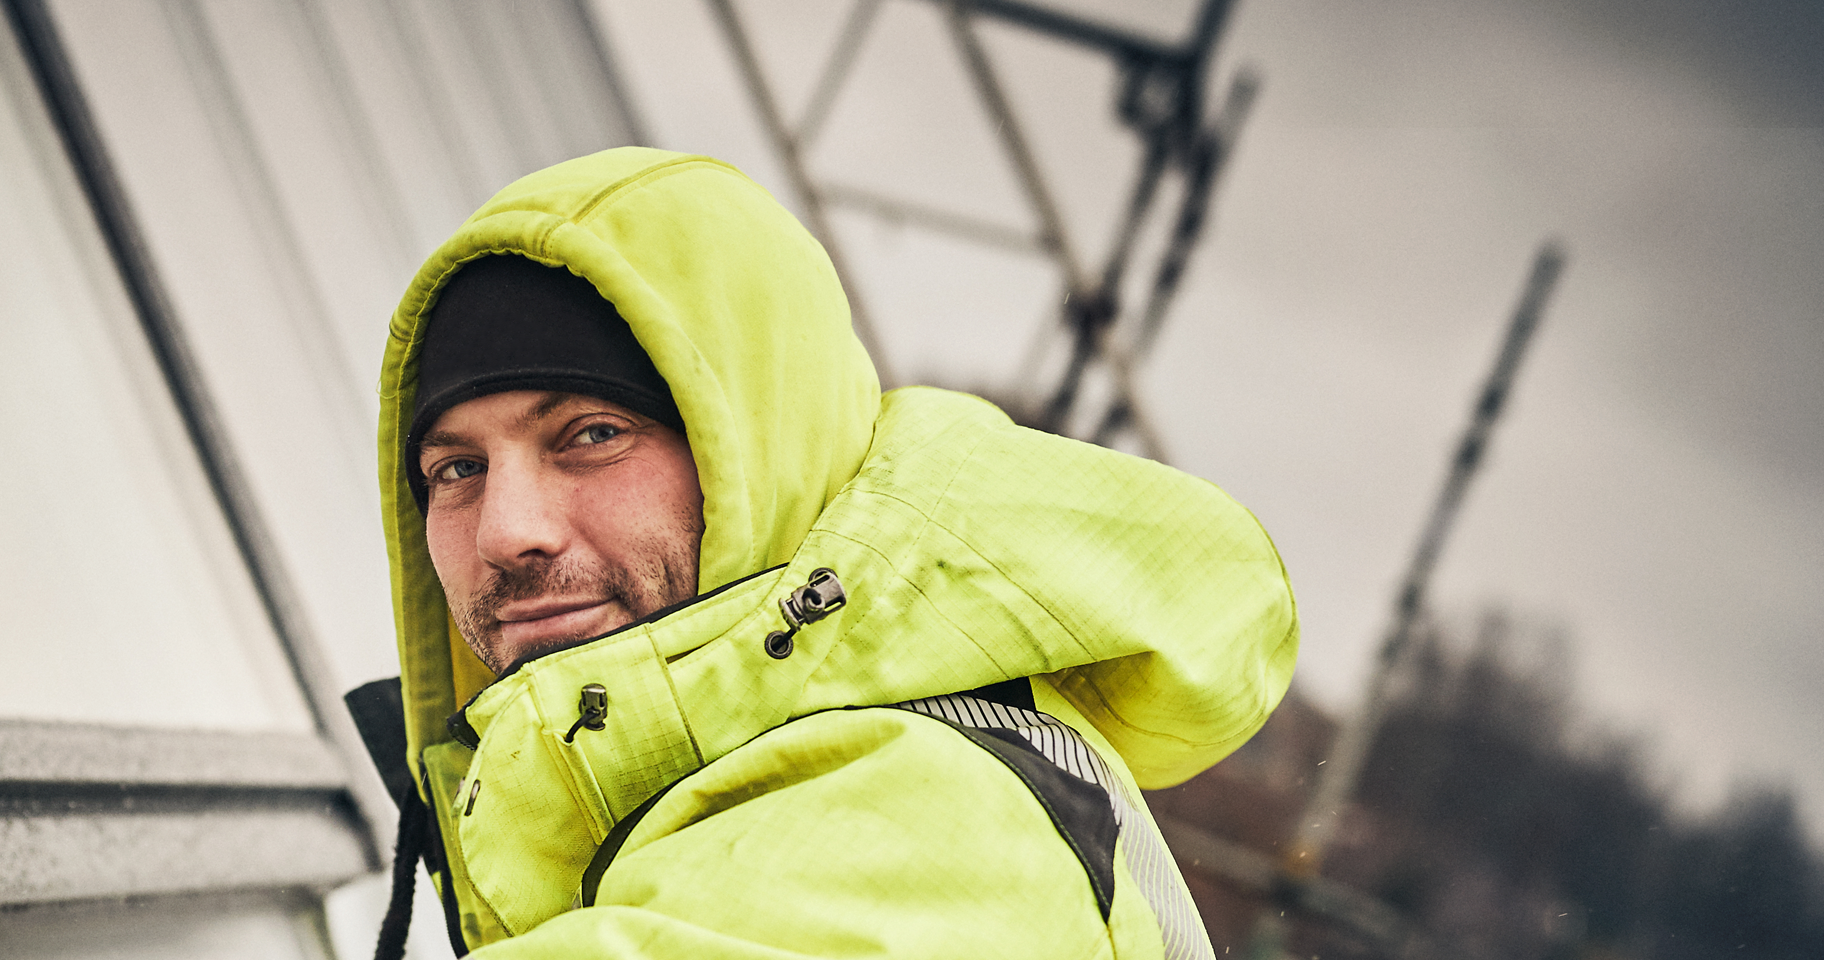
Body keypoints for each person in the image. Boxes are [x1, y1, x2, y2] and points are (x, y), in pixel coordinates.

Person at [343, 147, 1297, 958]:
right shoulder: (712, 789)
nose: (506, 531)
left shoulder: (925, 819)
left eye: (592, 435)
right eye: (457, 468)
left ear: (761, 454)